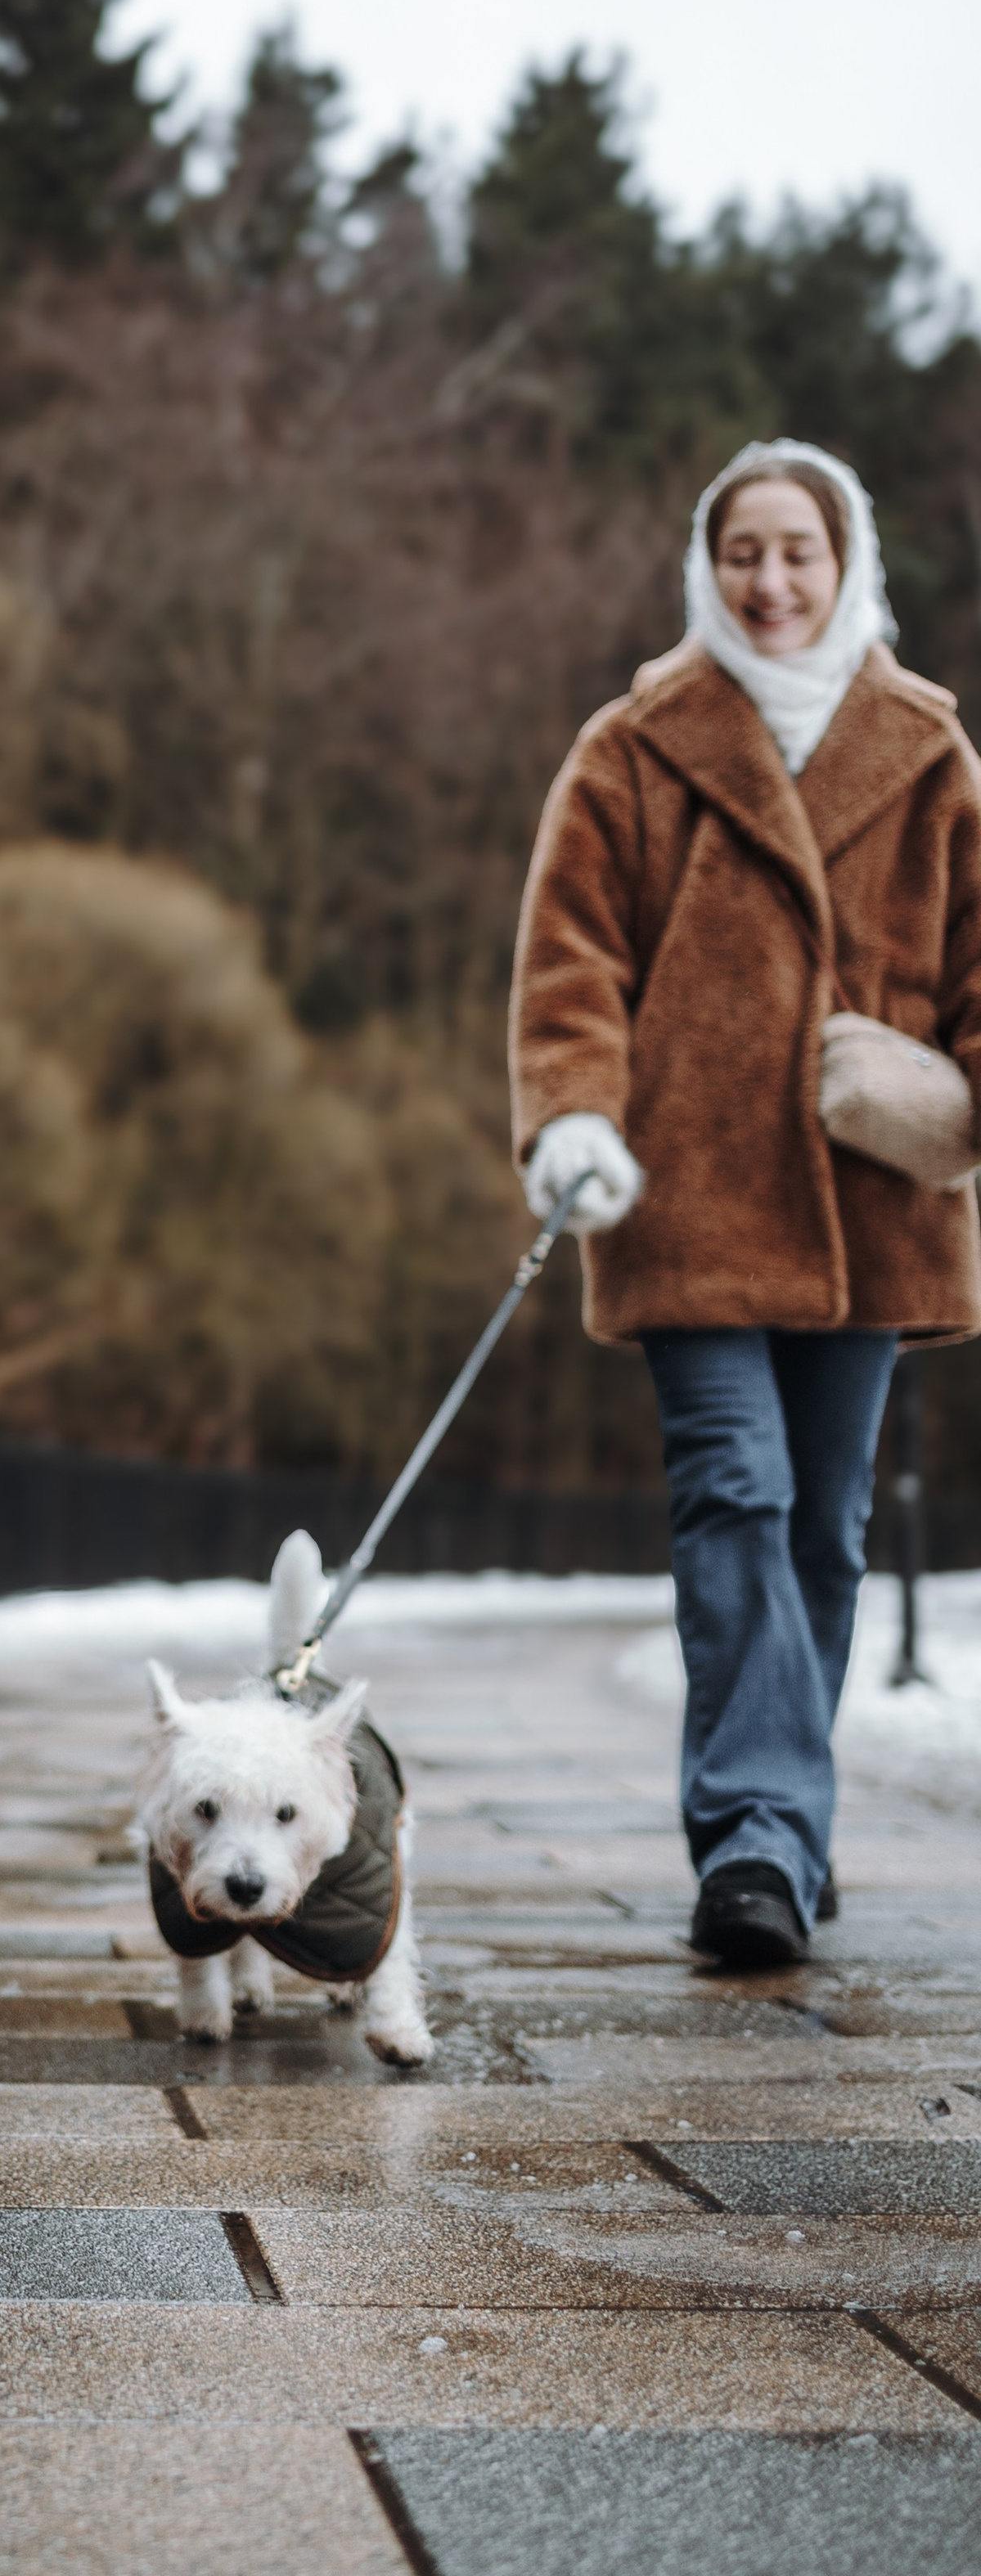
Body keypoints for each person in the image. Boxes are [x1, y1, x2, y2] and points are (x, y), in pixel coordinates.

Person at [510, 439, 981, 1970]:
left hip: (872, 1211)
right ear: (705, 569)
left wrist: (949, 1102)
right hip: (689, 1201)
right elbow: (571, 960)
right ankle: (759, 1837)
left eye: (798, 552)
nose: (770, 581)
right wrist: (574, 1113)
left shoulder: (932, 753)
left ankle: (786, 1819)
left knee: (826, 1529)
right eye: (742, 552)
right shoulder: (635, 746)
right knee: (739, 1492)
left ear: (848, 565)